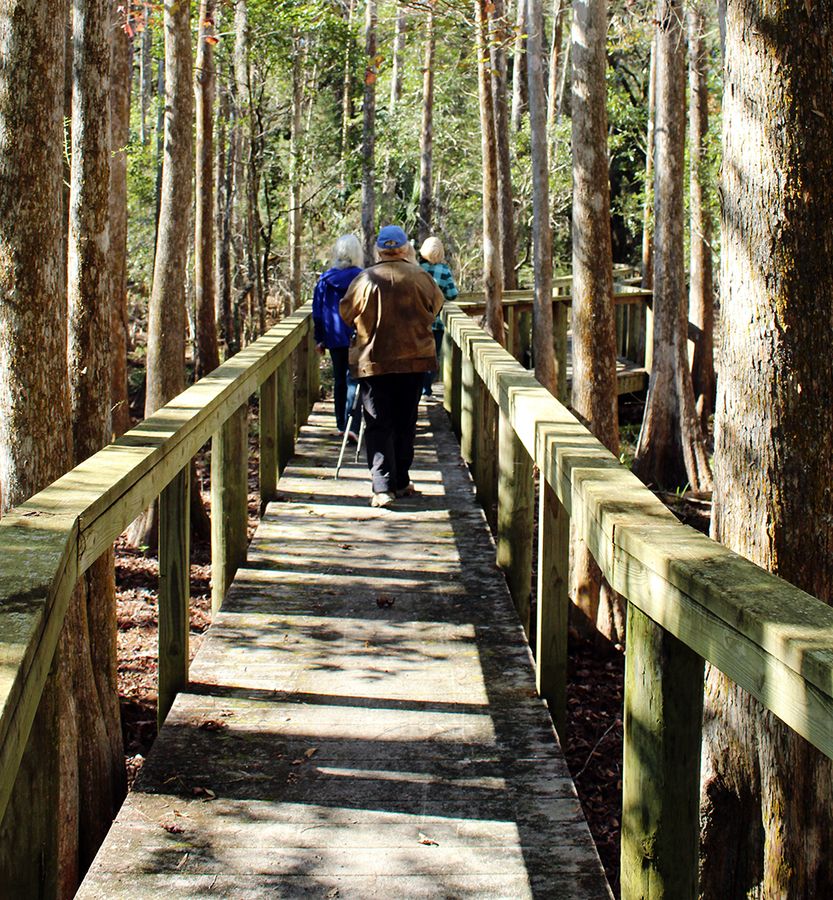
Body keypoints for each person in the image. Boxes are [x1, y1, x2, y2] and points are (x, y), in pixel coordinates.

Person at [340, 225, 444, 507]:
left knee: (378, 423)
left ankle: (383, 487)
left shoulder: (365, 278)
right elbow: (436, 307)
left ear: (379, 251)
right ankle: (400, 480)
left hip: (374, 362)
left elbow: (347, 312)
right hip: (414, 359)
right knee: (405, 421)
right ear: (405, 249)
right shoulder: (421, 277)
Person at [312, 234, 363, 438]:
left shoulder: (325, 281)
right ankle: (353, 425)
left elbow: (317, 312)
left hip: (334, 336)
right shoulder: (363, 278)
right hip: (358, 335)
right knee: (355, 379)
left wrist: (320, 338)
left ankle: (341, 423)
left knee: (340, 378)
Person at [418, 236, 459, 396]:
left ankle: (419, 389)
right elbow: (452, 294)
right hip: (436, 322)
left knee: (419, 355)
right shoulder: (444, 271)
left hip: (418, 322)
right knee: (433, 356)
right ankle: (426, 390)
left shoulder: (417, 269)